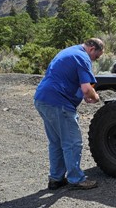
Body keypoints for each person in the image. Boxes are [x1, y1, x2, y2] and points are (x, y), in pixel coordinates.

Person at [33, 38, 104, 191]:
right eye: (96, 57)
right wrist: (96, 97)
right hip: (58, 103)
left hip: (43, 99)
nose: (95, 60)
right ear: (92, 49)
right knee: (72, 142)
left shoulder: (70, 51)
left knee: (57, 142)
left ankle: (56, 179)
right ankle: (76, 179)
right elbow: (87, 89)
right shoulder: (82, 57)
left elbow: (71, 79)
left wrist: (84, 92)